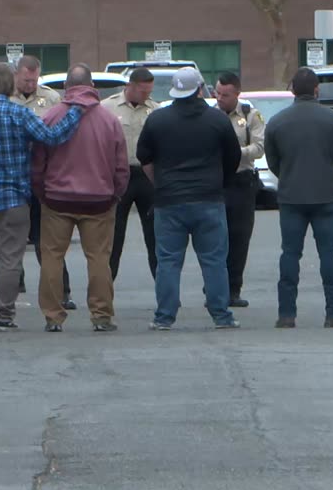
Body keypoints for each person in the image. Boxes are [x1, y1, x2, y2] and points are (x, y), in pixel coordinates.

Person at [0, 63, 84, 331]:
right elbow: (52, 137)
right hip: (12, 198)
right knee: (10, 258)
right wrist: (75, 113)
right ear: (10, 85)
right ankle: (5, 314)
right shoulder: (19, 114)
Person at [137, 67, 241, 331]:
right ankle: (221, 315)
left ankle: (164, 317)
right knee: (214, 259)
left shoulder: (157, 120)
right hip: (208, 199)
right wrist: (219, 183)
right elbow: (233, 158)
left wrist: (160, 184)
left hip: (169, 201)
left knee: (168, 261)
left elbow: (144, 158)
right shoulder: (217, 120)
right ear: (199, 89)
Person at [31, 64, 129, 332]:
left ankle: (53, 316)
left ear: (65, 87)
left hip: (57, 199)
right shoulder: (109, 121)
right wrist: (116, 193)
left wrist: (42, 192)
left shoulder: (51, 116)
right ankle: (101, 315)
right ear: (93, 87)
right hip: (98, 200)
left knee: (52, 256)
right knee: (98, 257)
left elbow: (37, 162)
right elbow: (121, 166)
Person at [263, 67, 333, 329]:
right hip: (325, 195)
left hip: (291, 196)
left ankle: (286, 314)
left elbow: (273, 161)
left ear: (292, 90)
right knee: (329, 255)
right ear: (317, 89)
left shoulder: (277, 122)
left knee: (289, 254)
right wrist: (329, 175)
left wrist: (289, 175)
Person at [10, 54, 73, 308]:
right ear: (17, 75)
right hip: (15, 175)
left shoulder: (51, 98)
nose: (30, 85)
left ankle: (62, 291)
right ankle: (14, 284)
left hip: (43, 176)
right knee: (12, 236)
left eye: (34, 80)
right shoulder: (5, 98)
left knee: (46, 239)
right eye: (26, 80)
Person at [213, 72, 265, 307]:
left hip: (241, 181)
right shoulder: (209, 116)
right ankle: (214, 288)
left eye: (226, 94)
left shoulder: (250, 115)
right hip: (215, 182)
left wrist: (236, 153)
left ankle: (234, 289)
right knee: (214, 238)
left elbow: (260, 147)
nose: (220, 98)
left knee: (239, 237)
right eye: (218, 93)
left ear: (237, 94)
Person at [104, 67, 159, 279]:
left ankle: (164, 291)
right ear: (131, 86)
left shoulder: (155, 110)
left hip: (146, 175)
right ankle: (105, 290)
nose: (147, 95)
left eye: (149, 91)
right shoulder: (108, 108)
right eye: (143, 91)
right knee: (113, 236)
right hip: (119, 175)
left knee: (155, 235)